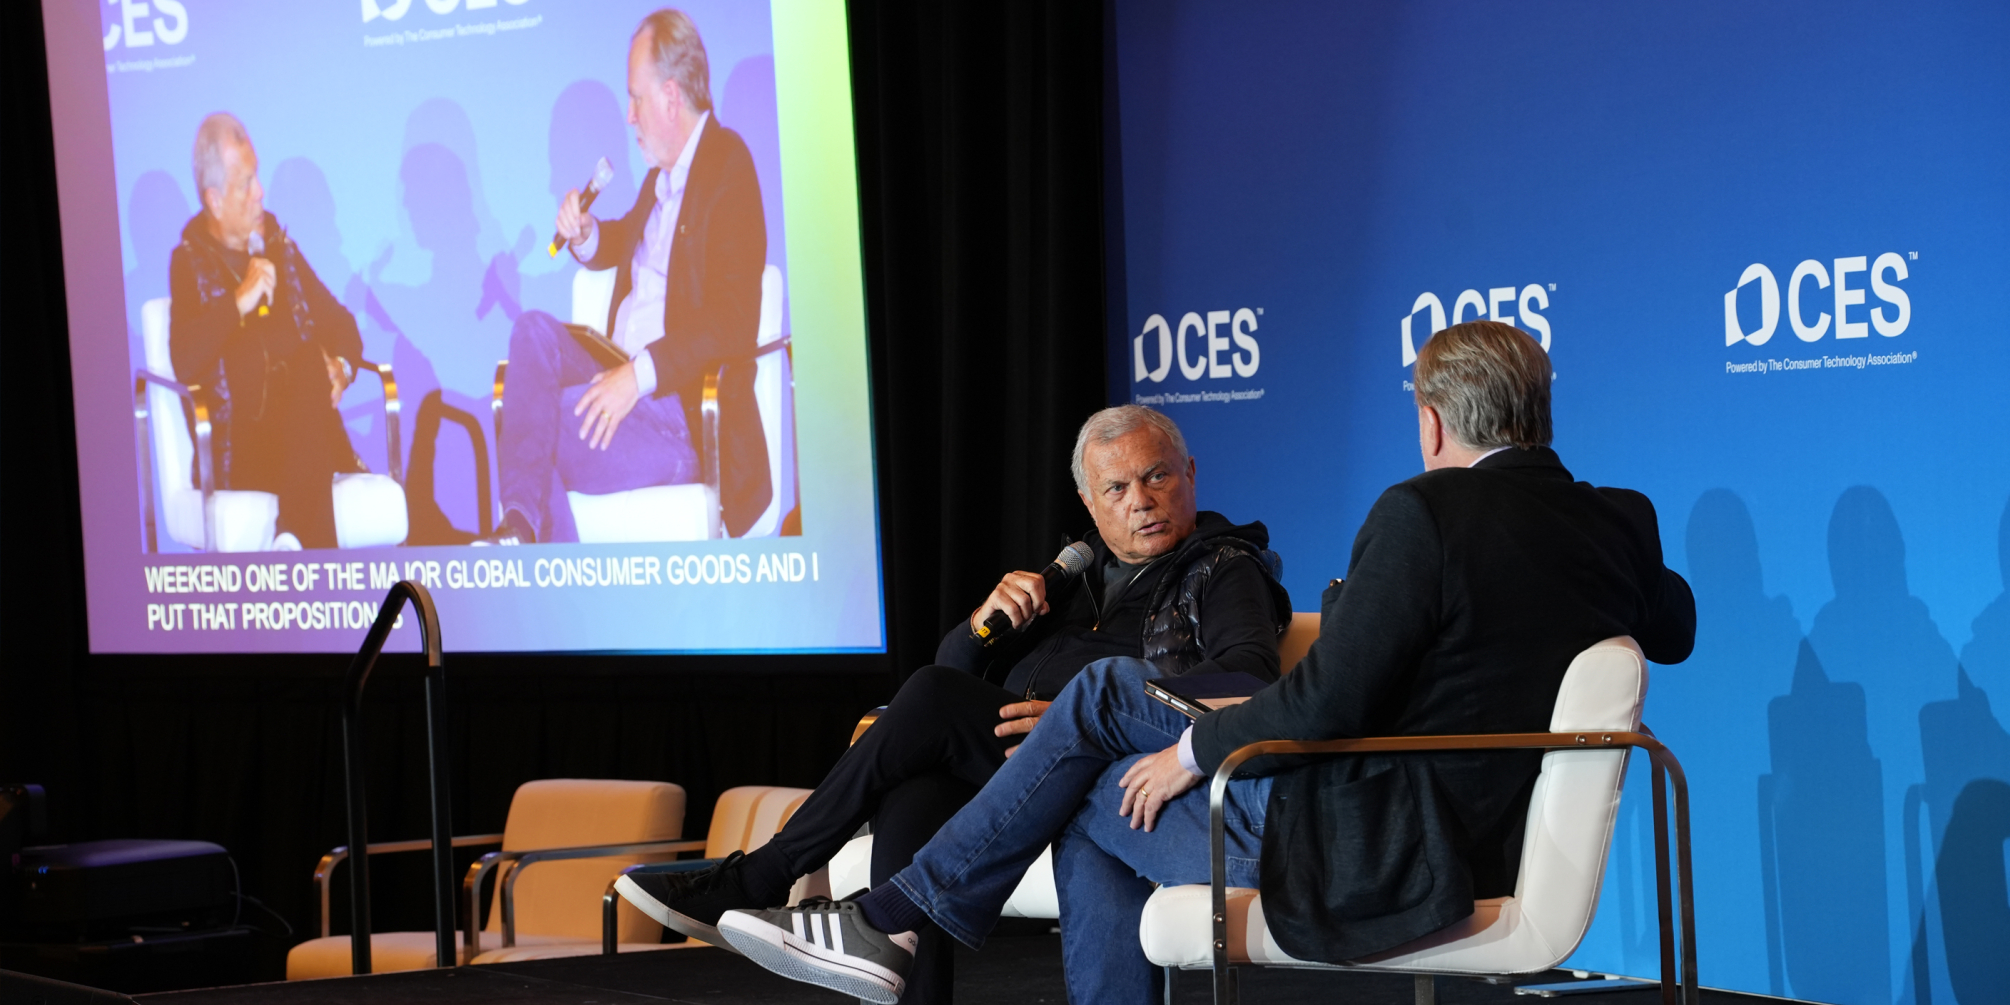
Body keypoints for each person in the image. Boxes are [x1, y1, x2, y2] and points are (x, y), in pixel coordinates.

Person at [712, 321, 1698, 1004]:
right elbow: (1675, 627)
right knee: (1095, 791)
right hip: (1466, 840)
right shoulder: (1618, 522)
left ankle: (891, 919)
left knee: (1100, 698)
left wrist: (1189, 755)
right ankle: (891, 920)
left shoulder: (1423, 513)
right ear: (1539, 413)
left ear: (1432, 422)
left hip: (1364, 850)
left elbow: (1322, 699)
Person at [616, 405, 1291, 1004]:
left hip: (1111, 759)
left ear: (1190, 473)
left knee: (932, 714)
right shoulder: (1067, 583)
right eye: (1116, 487)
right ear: (1089, 503)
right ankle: (890, 972)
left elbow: (1246, 674)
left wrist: (1085, 709)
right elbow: (941, 685)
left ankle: (764, 871)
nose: (1140, 500)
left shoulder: (1221, 565)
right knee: (916, 785)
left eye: (1156, 476)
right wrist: (978, 629)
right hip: (1010, 764)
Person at [491, 8, 770, 544]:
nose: (629, 115)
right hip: (621, 379)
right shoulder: (661, 180)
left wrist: (636, 377)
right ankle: (529, 541)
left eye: (636, 99)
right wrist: (586, 235)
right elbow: (626, 242)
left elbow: (733, 320)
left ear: (670, 96)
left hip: (678, 418)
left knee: (529, 427)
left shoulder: (727, 165)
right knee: (531, 330)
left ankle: (534, 555)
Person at [170, 114, 364, 550]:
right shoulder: (188, 263)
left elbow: (341, 324)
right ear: (215, 201)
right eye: (246, 184)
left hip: (304, 436)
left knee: (309, 365)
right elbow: (184, 359)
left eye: (257, 177)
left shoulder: (281, 248)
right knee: (304, 363)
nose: (260, 193)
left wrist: (343, 367)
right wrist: (238, 300)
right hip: (240, 450)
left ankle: (290, 541)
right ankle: (298, 551)